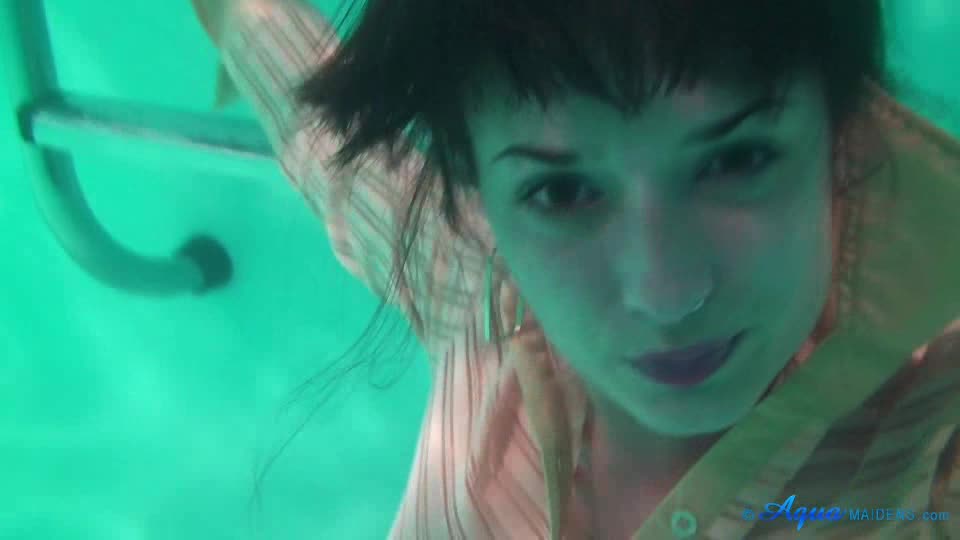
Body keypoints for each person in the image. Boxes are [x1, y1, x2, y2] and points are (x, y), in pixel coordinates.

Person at [191, 0, 960, 537]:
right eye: (561, 192)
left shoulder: (934, 431)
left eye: (738, 158)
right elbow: (308, 115)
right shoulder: (478, 281)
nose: (664, 294)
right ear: (474, 184)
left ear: (845, 139)